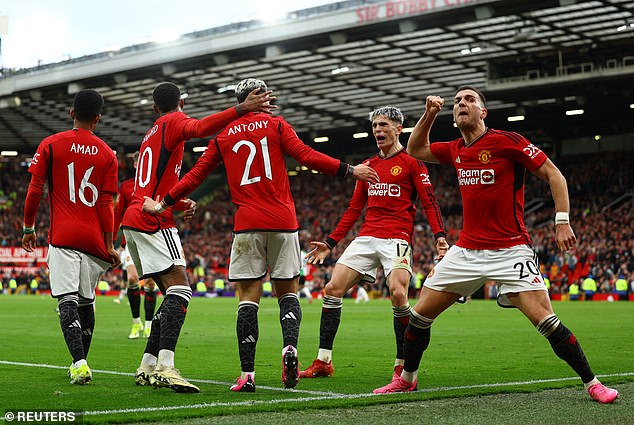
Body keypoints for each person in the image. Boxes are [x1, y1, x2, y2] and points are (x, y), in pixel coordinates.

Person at [373, 86, 619, 404]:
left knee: (547, 321)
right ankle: (407, 380)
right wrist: (430, 113)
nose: (462, 103)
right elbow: (416, 148)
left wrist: (561, 220)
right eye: (458, 101)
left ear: (483, 112)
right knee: (419, 316)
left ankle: (593, 382)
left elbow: (553, 174)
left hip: (511, 249)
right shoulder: (455, 148)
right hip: (466, 251)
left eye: (469, 100)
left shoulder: (508, 141)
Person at [143, 78, 379, 392]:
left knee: (247, 300)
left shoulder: (223, 136)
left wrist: (165, 203)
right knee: (288, 295)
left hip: (247, 224)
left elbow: (195, 175)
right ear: (258, 100)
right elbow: (306, 156)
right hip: (284, 222)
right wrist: (350, 170)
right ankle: (290, 348)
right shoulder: (278, 126)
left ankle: (247, 375)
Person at [122, 81, 274, 393]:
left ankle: (147, 365)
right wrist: (240, 109)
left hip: (135, 216)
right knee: (181, 290)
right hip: (153, 219)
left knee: (170, 294)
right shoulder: (173, 121)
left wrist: (177, 202)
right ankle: (166, 365)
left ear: (154, 107)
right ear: (181, 102)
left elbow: (152, 181)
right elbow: (201, 127)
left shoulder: (152, 130)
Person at [299, 106, 447, 390]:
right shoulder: (367, 167)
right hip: (367, 237)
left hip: (398, 238)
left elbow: (429, 201)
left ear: (398, 129)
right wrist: (330, 243)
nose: (378, 130)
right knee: (332, 289)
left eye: (383, 125)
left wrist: (440, 235)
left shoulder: (413, 163)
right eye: (375, 126)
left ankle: (402, 366)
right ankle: (323, 361)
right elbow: (354, 209)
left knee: (399, 293)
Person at [22, 89, 120, 385]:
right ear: (98, 118)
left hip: (64, 236)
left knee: (67, 299)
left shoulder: (51, 144)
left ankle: (79, 363)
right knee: (86, 302)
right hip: (93, 240)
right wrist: (110, 244)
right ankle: (79, 361)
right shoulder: (108, 154)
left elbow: (35, 189)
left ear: (71, 113)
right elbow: (106, 204)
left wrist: (28, 227)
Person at [113, 152, 158, 339]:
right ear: (135, 164)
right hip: (130, 240)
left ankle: (148, 324)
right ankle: (136, 323)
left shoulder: (156, 185)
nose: (141, 165)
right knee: (132, 279)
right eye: (139, 162)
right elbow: (117, 214)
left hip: (151, 239)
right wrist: (111, 242)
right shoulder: (126, 187)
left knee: (149, 283)